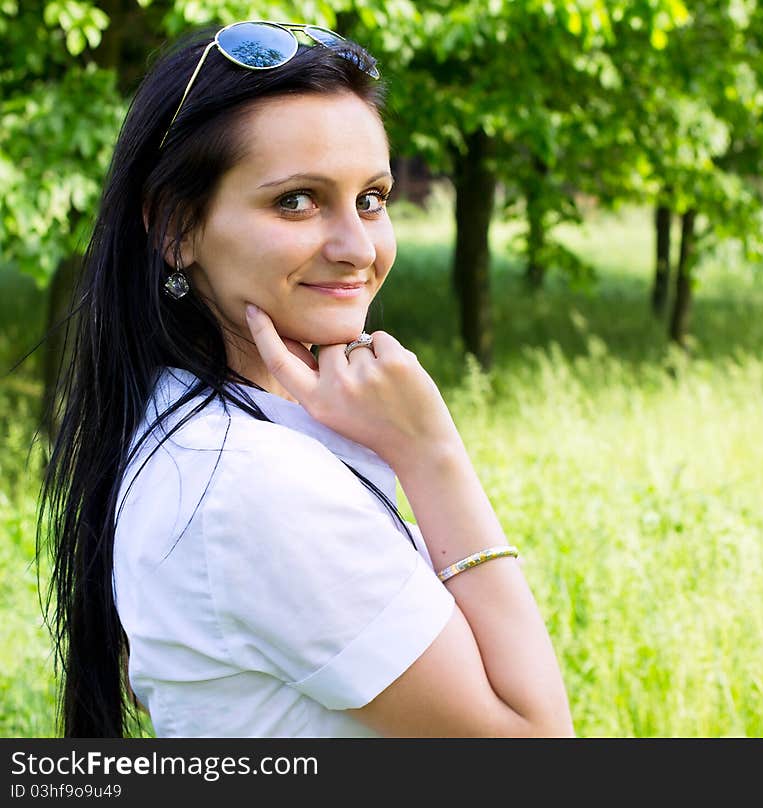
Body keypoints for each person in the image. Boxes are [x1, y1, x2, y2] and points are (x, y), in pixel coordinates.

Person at [37, 20, 574, 738]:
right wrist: (432, 453)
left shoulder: (202, 428)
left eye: (372, 198)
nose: (358, 248)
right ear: (175, 228)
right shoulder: (249, 485)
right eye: (297, 200)